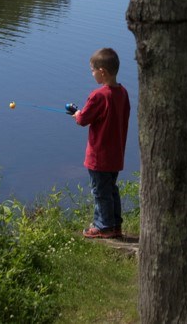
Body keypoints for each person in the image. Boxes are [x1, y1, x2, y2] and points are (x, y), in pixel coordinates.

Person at [70, 48, 131, 239]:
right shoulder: (122, 92)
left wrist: (78, 114)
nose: (92, 73)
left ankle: (103, 227)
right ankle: (114, 225)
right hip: (116, 154)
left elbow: (82, 120)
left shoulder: (98, 95)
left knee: (100, 192)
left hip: (99, 156)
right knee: (111, 190)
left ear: (102, 71)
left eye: (93, 70)